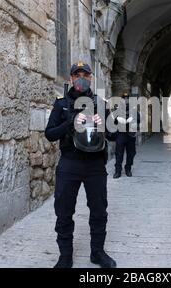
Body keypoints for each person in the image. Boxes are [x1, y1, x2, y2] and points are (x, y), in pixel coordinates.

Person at [45, 62, 116, 269]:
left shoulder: (101, 103)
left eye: (85, 74)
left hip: (95, 165)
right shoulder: (61, 104)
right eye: (77, 75)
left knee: (99, 210)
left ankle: (97, 252)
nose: (81, 78)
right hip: (70, 163)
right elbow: (50, 134)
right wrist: (71, 122)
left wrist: (103, 125)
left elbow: (113, 135)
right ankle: (65, 256)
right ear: (71, 79)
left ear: (91, 78)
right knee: (64, 210)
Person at [113, 93, 140, 179]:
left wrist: (133, 118)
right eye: (124, 99)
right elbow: (112, 119)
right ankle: (118, 171)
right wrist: (117, 119)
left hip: (131, 134)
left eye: (127, 99)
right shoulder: (117, 108)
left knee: (131, 153)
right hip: (121, 134)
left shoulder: (133, 109)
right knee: (119, 153)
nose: (126, 100)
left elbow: (139, 119)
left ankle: (128, 168)